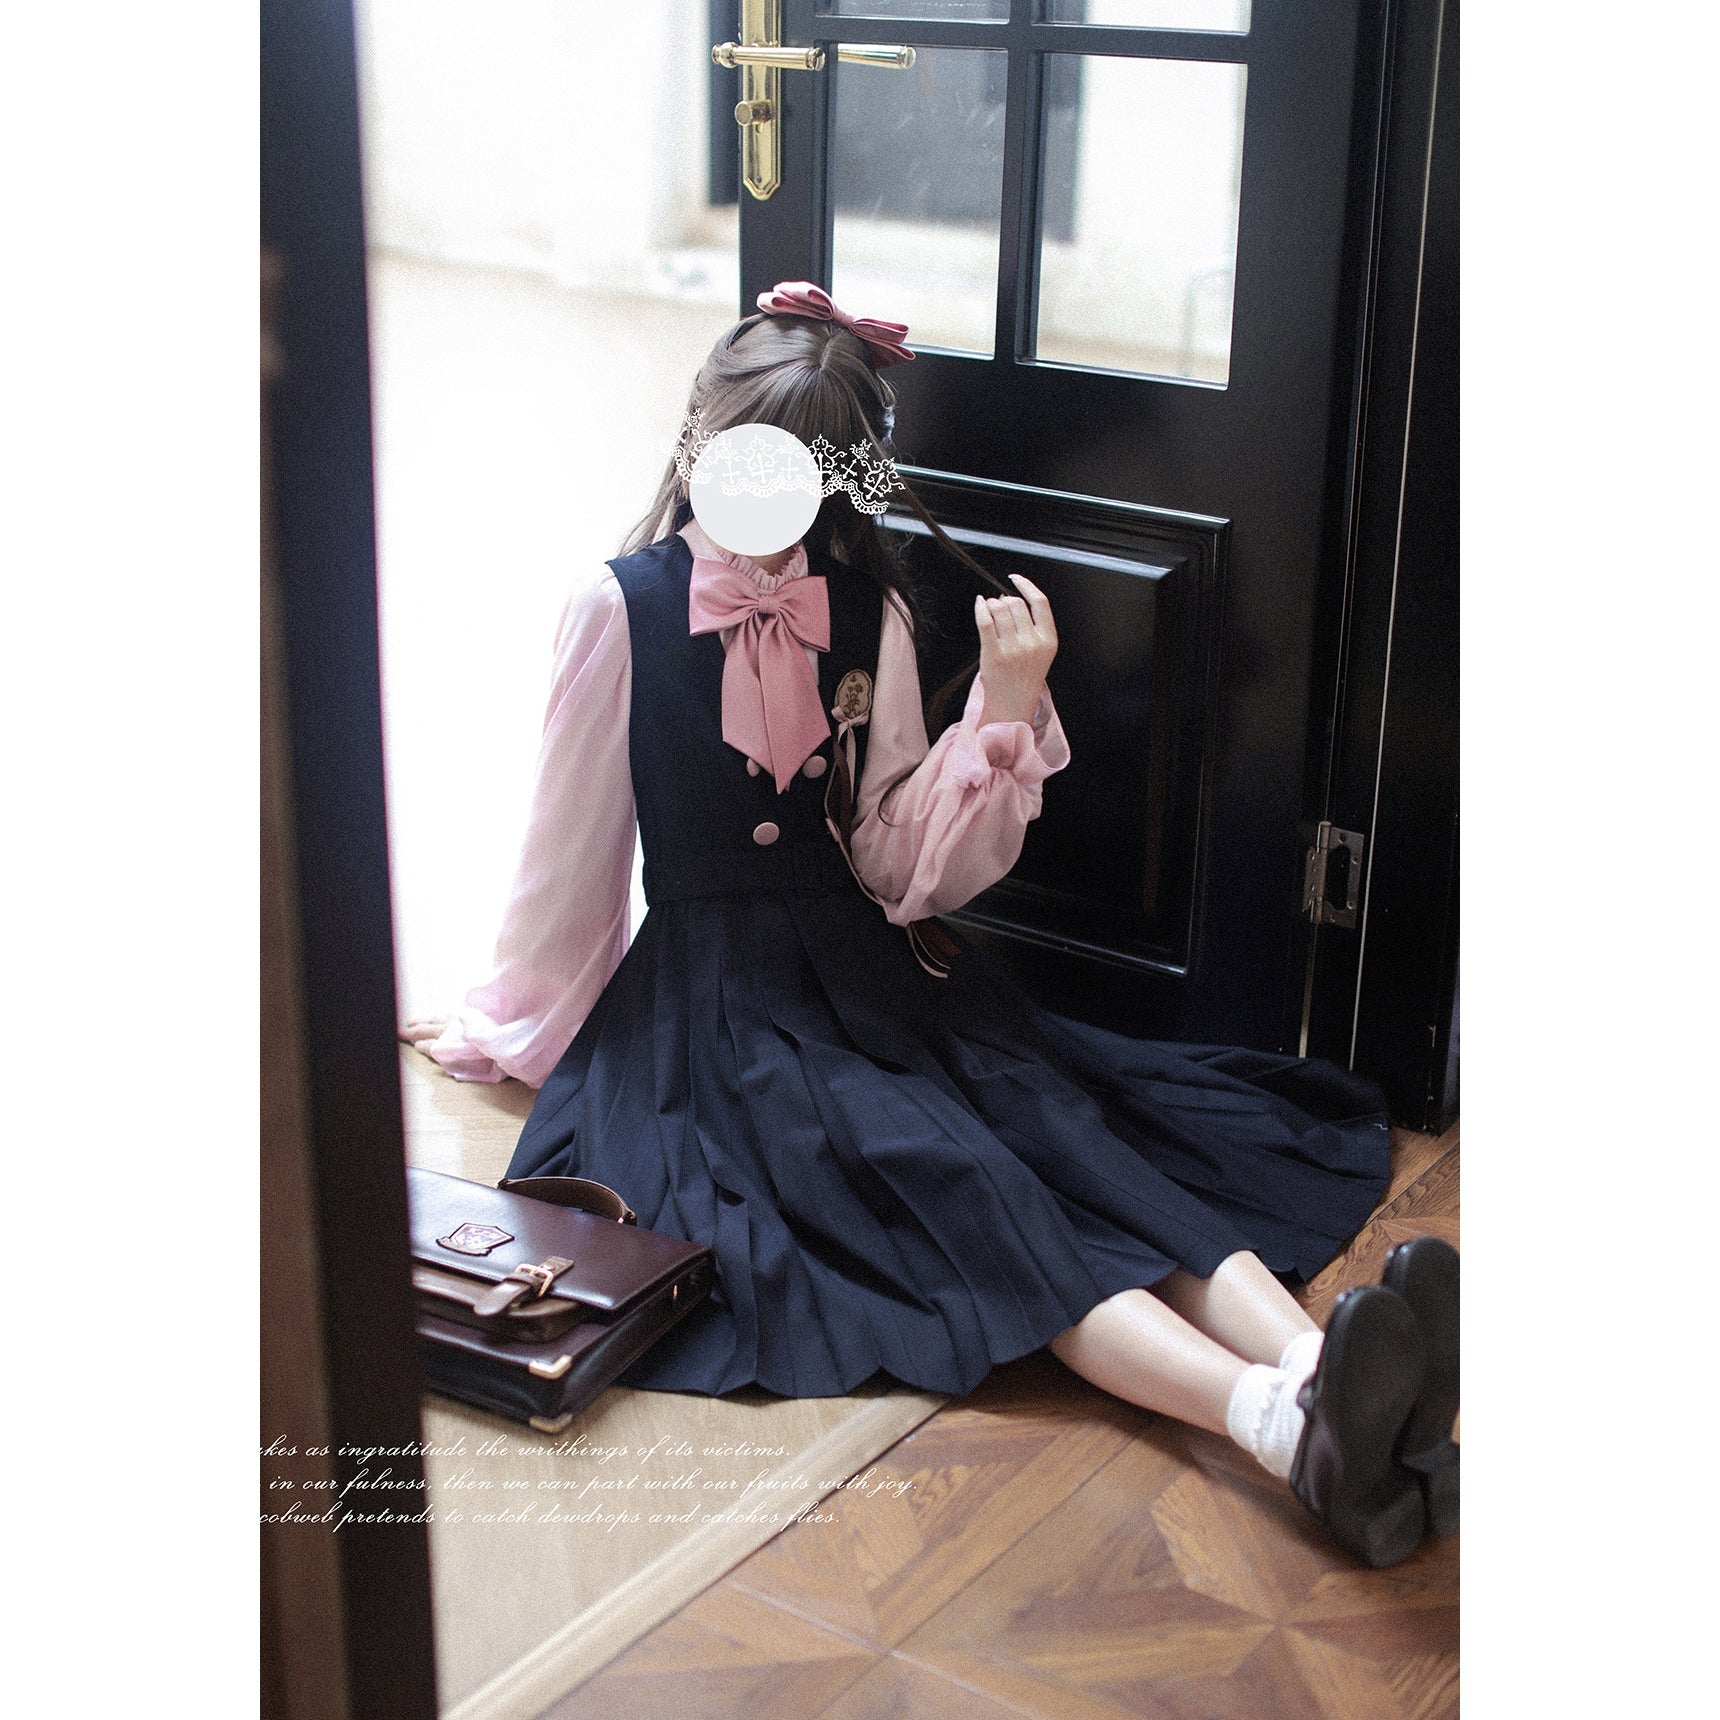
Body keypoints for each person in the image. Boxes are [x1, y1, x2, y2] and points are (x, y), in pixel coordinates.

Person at [402, 282, 1459, 1568]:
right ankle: (1288, 1426)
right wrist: (518, 1024)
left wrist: (999, 712)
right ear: (701, 442)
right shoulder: (619, 608)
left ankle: (1323, 1365)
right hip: (718, 1028)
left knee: (1084, 1148)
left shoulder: (872, 609)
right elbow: (570, 856)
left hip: (880, 970)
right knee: (984, 1202)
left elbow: (895, 862)